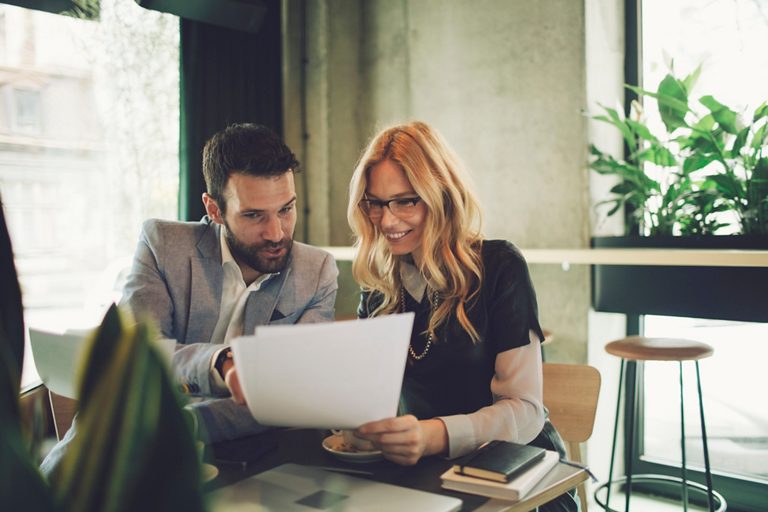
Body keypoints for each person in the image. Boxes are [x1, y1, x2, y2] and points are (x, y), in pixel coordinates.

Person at [41, 123, 338, 473]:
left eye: (286, 210)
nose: (276, 233)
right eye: (254, 215)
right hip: (120, 451)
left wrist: (182, 425)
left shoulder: (316, 272)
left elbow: (288, 397)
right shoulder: (162, 246)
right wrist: (220, 362)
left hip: (243, 460)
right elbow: (141, 357)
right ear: (214, 209)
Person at [346, 121, 578, 511]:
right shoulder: (379, 286)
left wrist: (433, 435)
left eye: (406, 201)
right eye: (375, 203)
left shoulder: (499, 266)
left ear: (441, 196)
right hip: (428, 475)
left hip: (513, 477)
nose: (387, 221)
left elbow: (526, 411)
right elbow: (369, 397)